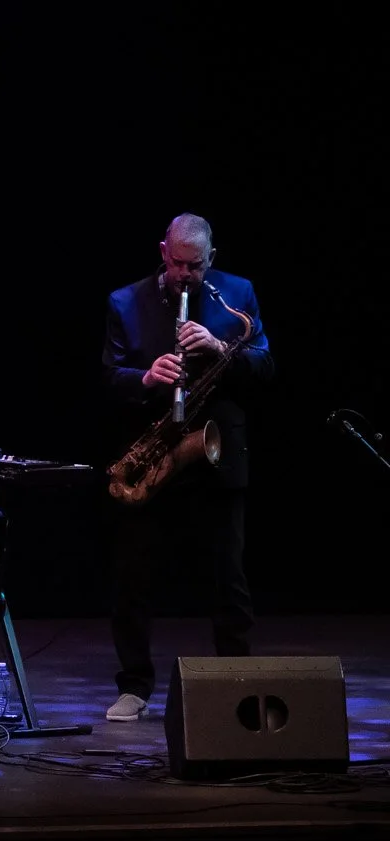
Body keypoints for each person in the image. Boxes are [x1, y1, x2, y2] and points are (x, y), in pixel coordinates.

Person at [99, 213, 273, 721]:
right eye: (177, 264)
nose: (185, 275)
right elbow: (109, 378)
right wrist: (147, 378)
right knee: (133, 579)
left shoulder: (237, 293)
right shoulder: (124, 301)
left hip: (215, 454)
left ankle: (236, 683)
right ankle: (134, 686)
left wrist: (220, 349)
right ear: (163, 252)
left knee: (229, 580)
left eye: (195, 266)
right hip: (155, 454)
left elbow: (266, 365)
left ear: (210, 258)